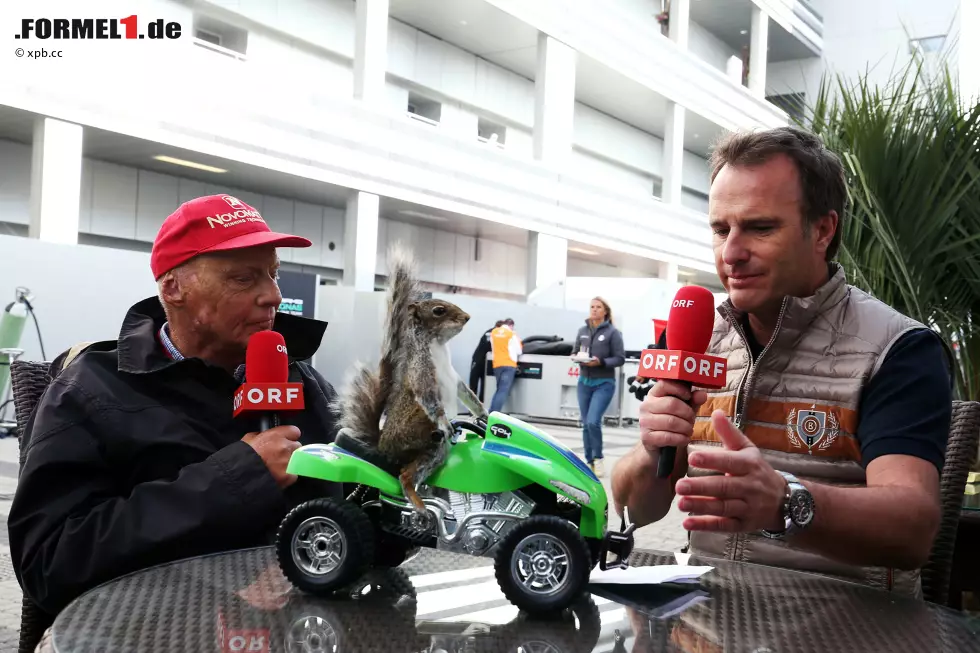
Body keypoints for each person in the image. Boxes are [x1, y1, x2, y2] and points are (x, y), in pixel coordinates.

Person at [611, 126, 952, 596]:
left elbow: (912, 530)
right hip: (709, 614)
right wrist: (652, 450)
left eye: (760, 227)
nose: (731, 253)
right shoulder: (695, 337)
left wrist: (787, 502)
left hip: (852, 628)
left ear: (823, 230)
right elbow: (637, 511)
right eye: (719, 229)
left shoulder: (899, 350)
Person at [7, 194, 345, 615]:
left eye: (273, 275)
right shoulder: (92, 390)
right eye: (244, 278)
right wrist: (234, 479)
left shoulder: (304, 382)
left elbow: (356, 512)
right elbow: (49, 561)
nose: (273, 295)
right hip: (158, 629)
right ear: (173, 288)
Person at [574, 297, 625, 477]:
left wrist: (600, 362)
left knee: (593, 421)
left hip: (604, 383)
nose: (594, 310)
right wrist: (576, 357)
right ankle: (589, 461)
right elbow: (575, 351)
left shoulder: (613, 333)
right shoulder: (582, 331)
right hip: (584, 383)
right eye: (592, 307)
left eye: (598, 307)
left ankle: (598, 458)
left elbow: (619, 358)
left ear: (605, 311)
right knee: (585, 423)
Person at [488, 318, 522, 414]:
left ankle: (491, 411)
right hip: (509, 364)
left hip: (497, 364)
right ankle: (494, 413)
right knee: (503, 391)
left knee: (499, 389)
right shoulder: (511, 334)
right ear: (511, 325)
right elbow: (519, 350)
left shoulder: (494, 332)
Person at [469, 320, 502, 404]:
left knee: (483, 386)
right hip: (479, 360)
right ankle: (473, 406)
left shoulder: (494, 333)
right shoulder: (491, 333)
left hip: (485, 363)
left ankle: (479, 406)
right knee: (474, 385)